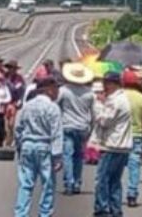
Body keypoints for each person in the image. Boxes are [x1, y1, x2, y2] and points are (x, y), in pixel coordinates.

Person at [14, 74, 64, 217]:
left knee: (25, 183)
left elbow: (18, 128)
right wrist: (57, 156)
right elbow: (56, 133)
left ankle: (21, 213)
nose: (57, 92)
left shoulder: (27, 106)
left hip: (27, 145)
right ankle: (45, 213)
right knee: (47, 184)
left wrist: (19, 145)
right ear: (49, 89)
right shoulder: (52, 107)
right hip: (44, 146)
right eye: (56, 89)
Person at [94, 70, 134, 217]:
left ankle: (103, 208)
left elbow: (104, 121)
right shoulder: (121, 98)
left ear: (113, 84)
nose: (104, 86)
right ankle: (115, 208)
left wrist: (98, 105)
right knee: (114, 180)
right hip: (121, 145)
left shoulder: (115, 101)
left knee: (103, 179)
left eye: (106, 83)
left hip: (112, 144)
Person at [58, 62, 96, 196]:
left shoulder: (63, 90)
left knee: (67, 155)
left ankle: (69, 182)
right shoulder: (89, 93)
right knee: (79, 156)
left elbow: (56, 106)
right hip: (82, 127)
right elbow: (94, 113)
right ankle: (77, 182)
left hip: (67, 125)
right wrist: (92, 129)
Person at [123, 69, 142, 208]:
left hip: (119, 137)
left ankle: (114, 194)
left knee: (115, 168)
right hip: (137, 135)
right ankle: (132, 194)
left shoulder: (118, 96)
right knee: (134, 166)